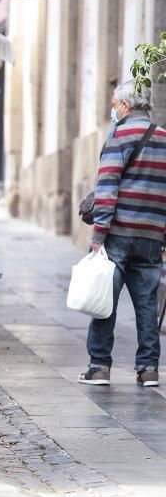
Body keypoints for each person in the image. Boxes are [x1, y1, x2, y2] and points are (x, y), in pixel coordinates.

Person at [78, 80, 165, 388]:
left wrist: (98, 233)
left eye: (114, 104)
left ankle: (99, 366)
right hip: (152, 236)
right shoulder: (164, 138)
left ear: (126, 106)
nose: (112, 110)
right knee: (146, 305)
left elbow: (107, 187)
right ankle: (148, 369)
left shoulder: (119, 134)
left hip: (119, 233)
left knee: (105, 300)